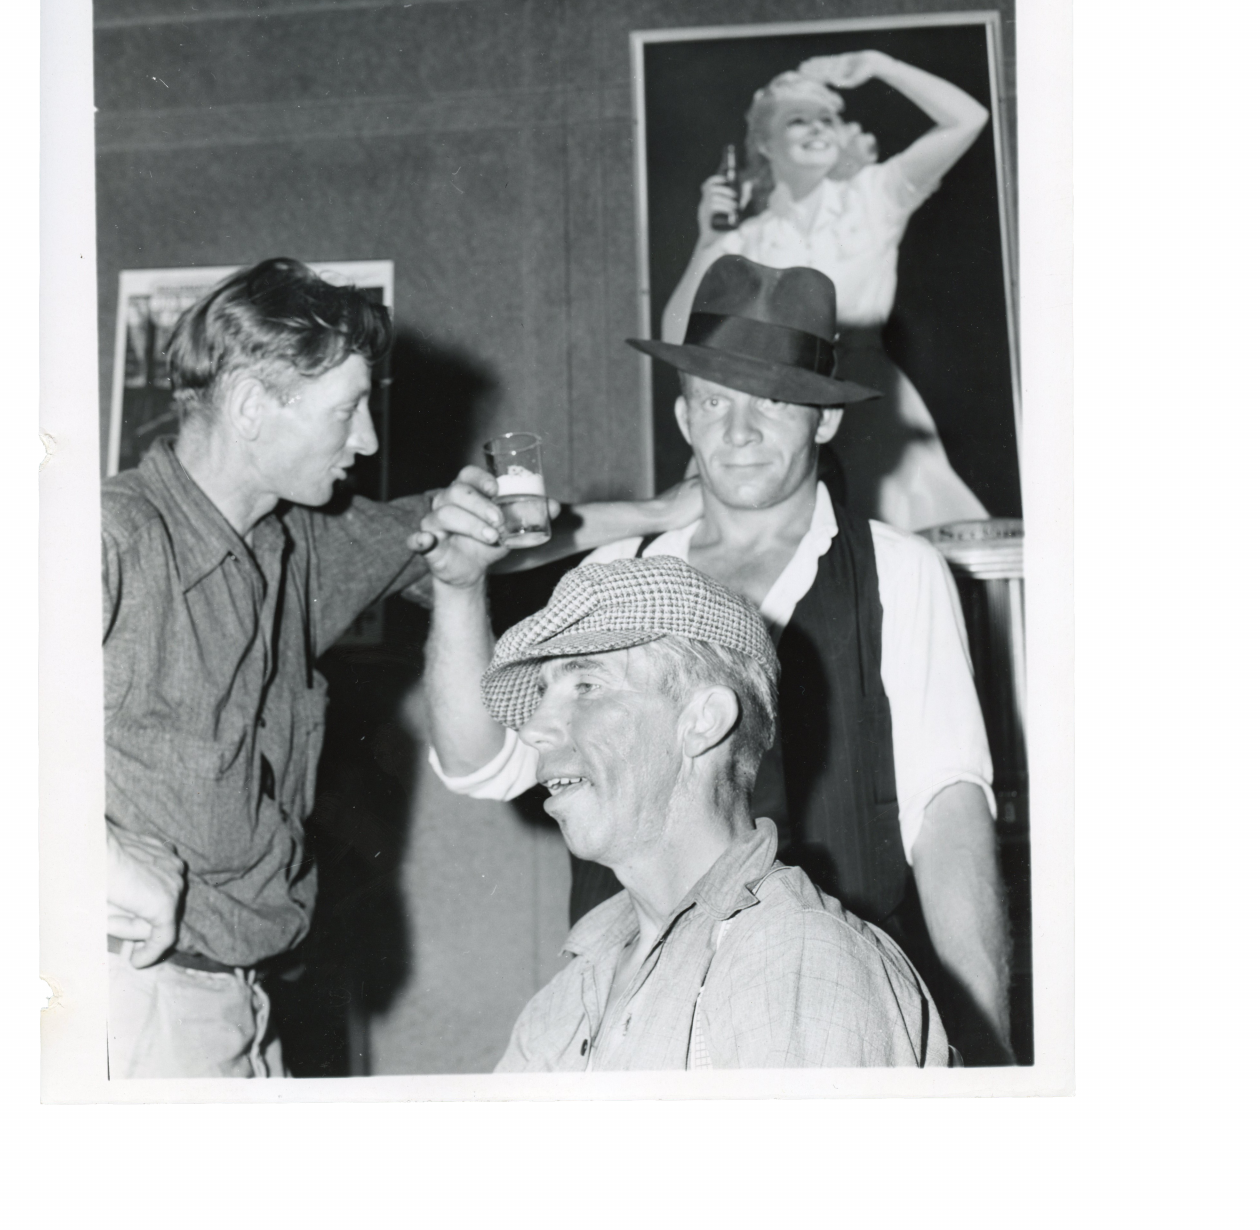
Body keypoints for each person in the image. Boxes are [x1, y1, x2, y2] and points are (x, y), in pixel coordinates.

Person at [102, 256, 696, 1078]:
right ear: (247, 406)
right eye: (346, 412)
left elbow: (485, 530)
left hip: (247, 999)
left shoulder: (292, 544)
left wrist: (663, 511)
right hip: (136, 1003)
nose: (367, 440)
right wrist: (92, 851)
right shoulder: (107, 538)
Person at [421, 257, 1013, 1063]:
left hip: (816, 1002)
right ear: (683, 417)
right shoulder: (616, 574)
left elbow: (948, 819)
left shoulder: (896, 571)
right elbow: (479, 762)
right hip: (640, 994)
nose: (738, 432)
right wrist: (458, 591)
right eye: (714, 402)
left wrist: (987, 1053)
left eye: (773, 403)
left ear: (825, 421)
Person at [476, 554, 949, 1069]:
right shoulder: (569, 994)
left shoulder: (795, 961)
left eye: (586, 686)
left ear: (703, 722)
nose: (532, 729)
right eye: (543, 694)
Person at [661, 49, 991, 532]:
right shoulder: (748, 238)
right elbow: (678, 338)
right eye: (799, 120)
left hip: (871, 404)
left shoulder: (877, 197)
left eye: (829, 118)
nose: (818, 128)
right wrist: (706, 242)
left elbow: (968, 119)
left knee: (897, 543)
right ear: (766, 144)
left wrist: (881, 64)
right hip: (777, 410)